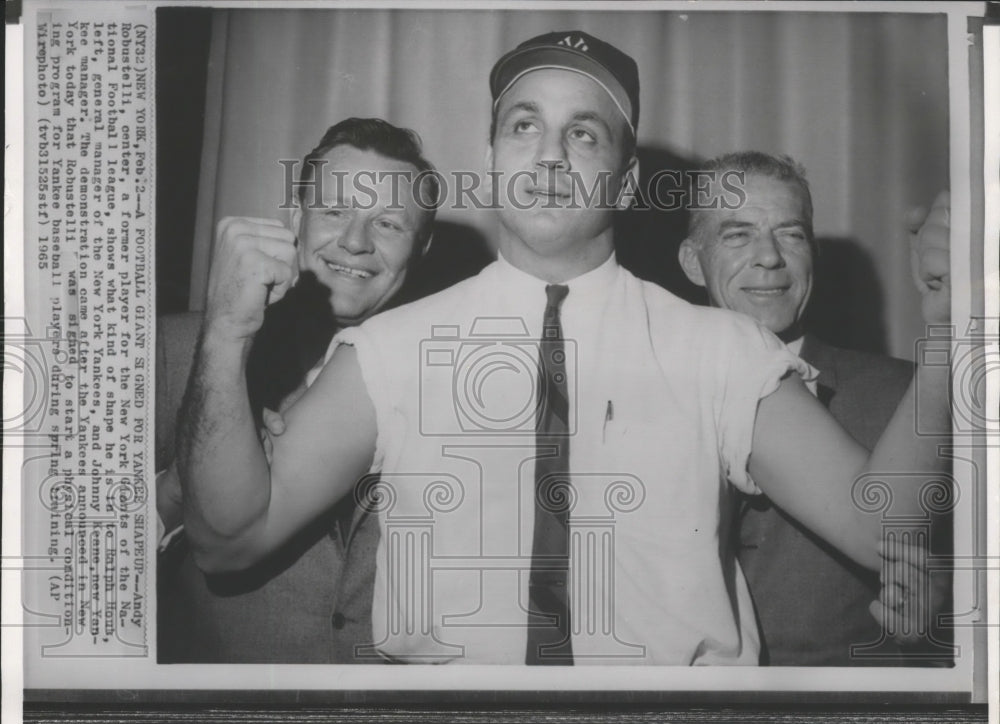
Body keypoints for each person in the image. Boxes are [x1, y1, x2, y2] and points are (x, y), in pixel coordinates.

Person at [177, 31, 951, 665]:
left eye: (583, 133)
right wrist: (227, 333)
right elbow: (230, 541)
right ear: (493, 160)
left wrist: (953, 323)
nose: (549, 156)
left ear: (623, 179)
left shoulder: (721, 349)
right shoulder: (388, 349)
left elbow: (883, 527)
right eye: (524, 125)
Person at [157, 117, 437, 662]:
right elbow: (68, 575)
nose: (355, 243)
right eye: (334, 211)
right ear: (296, 220)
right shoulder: (172, 347)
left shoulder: (448, 376)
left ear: (421, 249)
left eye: (388, 224)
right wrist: (174, 492)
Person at [677, 151, 951, 665]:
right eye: (738, 235)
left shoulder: (904, 395)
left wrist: (942, 612)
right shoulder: (648, 398)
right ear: (694, 262)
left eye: (791, 234)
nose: (769, 258)